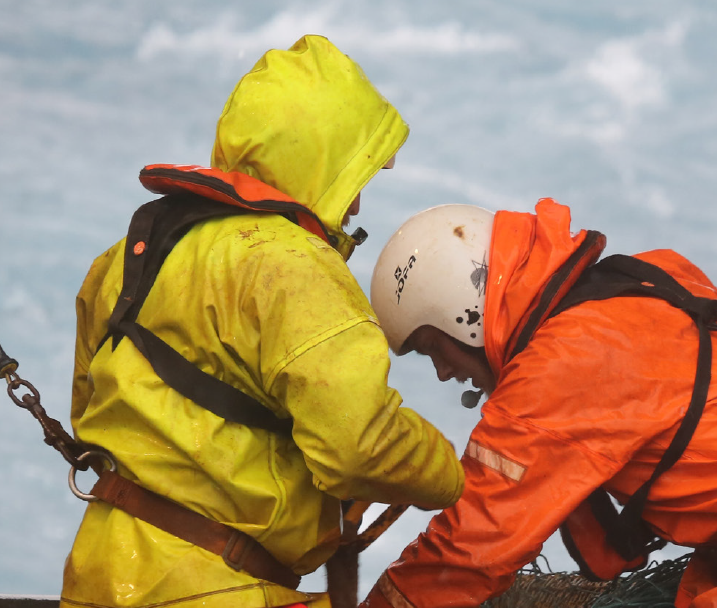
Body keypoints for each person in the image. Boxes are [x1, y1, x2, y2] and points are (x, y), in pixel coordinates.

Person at [61, 35, 464, 608]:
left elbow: (88, 412)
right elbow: (360, 445)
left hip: (95, 579)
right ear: (317, 162)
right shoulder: (293, 266)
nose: (354, 205)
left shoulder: (125, 258)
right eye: (353, 178)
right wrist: (454, 475)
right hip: (215, 590)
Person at [362, 200, 717, 608]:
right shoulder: (648, 276)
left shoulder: (558, 367)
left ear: (464, 315)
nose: (442, 372)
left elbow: (472, 544)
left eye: (433, 348)